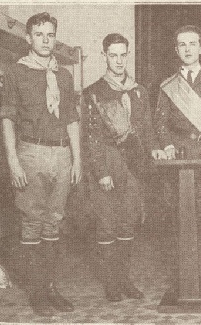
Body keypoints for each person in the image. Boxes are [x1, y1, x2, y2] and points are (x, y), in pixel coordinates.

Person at [0, 12, 81, 316]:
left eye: (50, 35)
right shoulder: (16, 71)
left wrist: (77, 159)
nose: (45, 41)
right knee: (32, 221)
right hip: (30, 154)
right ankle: (36, 293)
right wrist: (13, 162)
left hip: (61, 154)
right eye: (39, 35)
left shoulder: (64, 75)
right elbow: (7, 118)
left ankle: (50, 288)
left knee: (54, 221)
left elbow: (71, 118)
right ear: (28, 38)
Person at [83, 33, 164, 302]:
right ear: (104, 56)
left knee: (128, 224)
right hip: (107, 165)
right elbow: (91, 136)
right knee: (107, 224)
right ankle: (111, 284)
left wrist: (155, 148)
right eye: (113, 55)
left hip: (133, 167)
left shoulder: (139, 91)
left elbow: (148, 129)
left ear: (127, 55)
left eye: (123, 54)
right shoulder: (94, 91)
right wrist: (101, 171)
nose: (118, 60)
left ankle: (123, 279)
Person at [154, 25, 201, 299]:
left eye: (192, 44)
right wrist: (168, 144)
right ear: (176, 50)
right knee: (178, 221)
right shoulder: (168, 85)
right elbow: (159, 122)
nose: (187, 49)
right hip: (178, 163)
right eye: (181, 45)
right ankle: (180, 280)